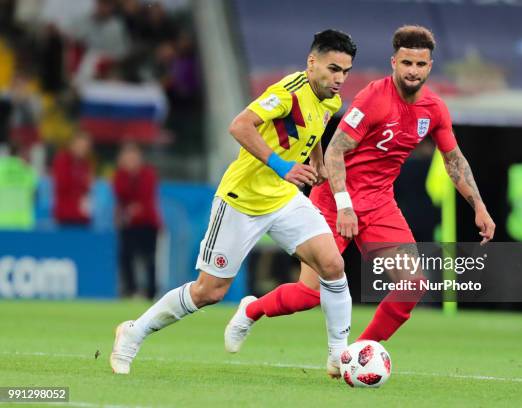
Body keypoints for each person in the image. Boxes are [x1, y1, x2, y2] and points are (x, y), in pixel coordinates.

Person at [225, 25, 495, 354]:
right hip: (335, 199)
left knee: (412, 285)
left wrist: (478, 206)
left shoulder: (434, 109)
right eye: (407, 63)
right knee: (309, 294)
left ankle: (361, 353)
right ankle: (251, 310)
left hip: (379, 204)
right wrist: (344, 205)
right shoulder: (373, 98)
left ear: (430, 67)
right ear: (394, 62)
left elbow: (454, 160)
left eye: (420, 64)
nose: (413, 71)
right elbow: (336, 150)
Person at [111, 29, 357, 377]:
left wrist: (315, 160)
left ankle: (338, 356)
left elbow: (313, 129)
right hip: (242, 200)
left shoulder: (330, 99)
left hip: (283, 198)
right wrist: (283, 165)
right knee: (208, 291)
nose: (339, 79)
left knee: (332, 265)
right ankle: (133, 332)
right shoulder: (287, 92)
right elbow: (239, 126)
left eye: (345, 72)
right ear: (312, 62)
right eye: (333, 69)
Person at [113, 142, 162, 299]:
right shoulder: (120, 175)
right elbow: (120, 193)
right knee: (126, 257)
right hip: (128, 224)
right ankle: (130, 290)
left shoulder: (148, 173)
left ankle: (151, 292)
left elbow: (146, 199)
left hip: (147, 223)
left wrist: (133, 210)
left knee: (149, 258)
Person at [51, 131, 93, 225]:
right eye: (80, 145)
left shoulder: (86, 165)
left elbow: (87, 188)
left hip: (83, 217)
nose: (82, 149)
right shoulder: (62, 160)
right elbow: (62, 185)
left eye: (85, 147)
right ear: (72, 145)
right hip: (65, 216)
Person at [0, 143, 37, 230]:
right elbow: (34, 197)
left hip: (2, 221)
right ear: (20, 153)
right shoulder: (28, 171)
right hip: (24, 222)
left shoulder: (0, 169)